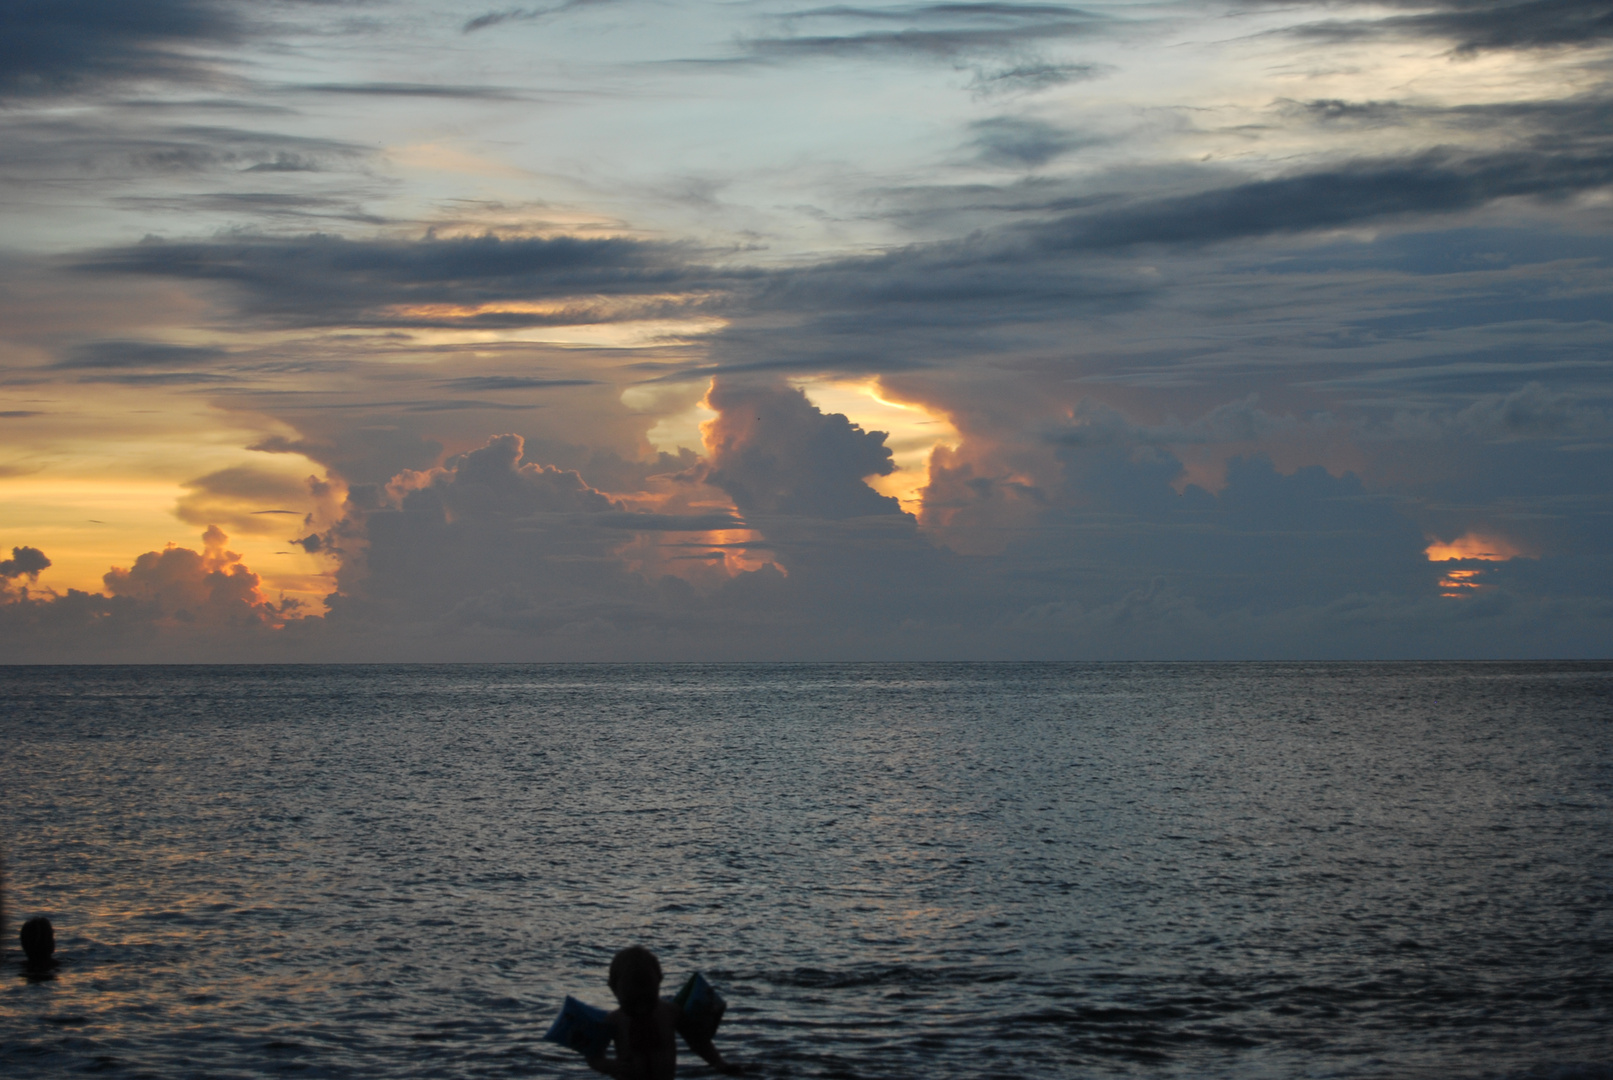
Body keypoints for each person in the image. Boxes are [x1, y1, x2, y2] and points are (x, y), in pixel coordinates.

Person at [585, 946, 742, 1079]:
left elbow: (697, 1041)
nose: (641, 1007)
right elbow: (593, 1056)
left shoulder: (670, 1012)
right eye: (632, 1002)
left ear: (659, 980)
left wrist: (718, 1063)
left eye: (648, 999)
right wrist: (610, 1066)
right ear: (613, 988)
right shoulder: (614, 1021)